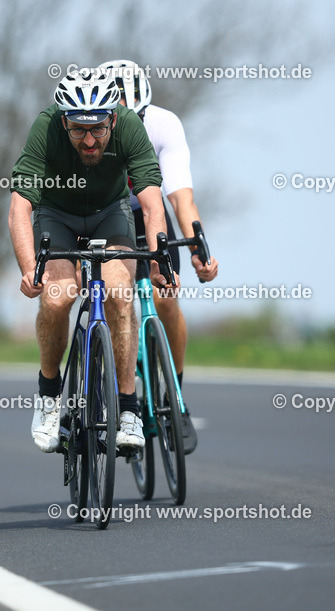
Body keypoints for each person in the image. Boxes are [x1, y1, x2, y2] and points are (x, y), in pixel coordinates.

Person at [9, 69, 174, 453]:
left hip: (109, 212)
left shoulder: (130, 127)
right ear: (64, 120)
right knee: (57, 296)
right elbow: (20, 207)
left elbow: (151, 205)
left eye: (98, 129)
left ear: (113, 118)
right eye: (79, 130)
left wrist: (158, 263)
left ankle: (129, 408)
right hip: (57, 215)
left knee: (119, 293)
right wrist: (27, 267)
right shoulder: (46, 127)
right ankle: (49, 396)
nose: (88, 140)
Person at [98, 60, 220, 452]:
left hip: (149, 212)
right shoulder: (92, 128)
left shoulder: (165, 124)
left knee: (167, 296)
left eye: (137, 118)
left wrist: (199, 247)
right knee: (118, 300)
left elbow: (181, 198)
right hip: (106, 214)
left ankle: (176, 400)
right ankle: (118, 388)